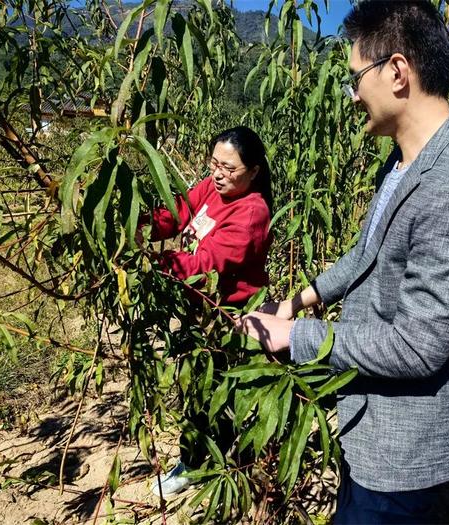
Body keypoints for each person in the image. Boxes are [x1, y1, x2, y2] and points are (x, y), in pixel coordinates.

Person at [238, 1, 449, 523]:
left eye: (357, 77)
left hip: (405, 460)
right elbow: (366, 254)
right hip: (370, 427)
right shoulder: (405, 162)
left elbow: (418, 345)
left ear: (398, 72)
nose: (354, 94)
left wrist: (295, 338)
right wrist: (295, 303)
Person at [141, 126, 273, 497]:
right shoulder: (211, 189)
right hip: (199, 313)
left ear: (254, 172)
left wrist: (153, 261)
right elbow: (176, 212)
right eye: (214, 164)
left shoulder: (251, 212)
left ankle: (200, 467)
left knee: (213, 394)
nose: (218, 174)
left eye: (229, 168)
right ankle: (207, 459)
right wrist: (139, 224)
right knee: (201, 391)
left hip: (229, 320)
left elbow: (205, 263)